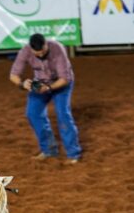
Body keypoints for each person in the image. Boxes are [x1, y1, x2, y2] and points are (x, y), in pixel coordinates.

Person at [9, 33, 82, 165]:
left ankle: (73, 153)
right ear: (31, 49)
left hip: (61, 85)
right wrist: (22, 84)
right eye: (37, 53)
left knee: (63, 115)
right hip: (41, 83)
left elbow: (64, 79)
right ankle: (48, 150)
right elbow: (13, 75)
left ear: (46, 44)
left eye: (43, 52)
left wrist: (48, 88)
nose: (41, 55)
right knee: (33, 114)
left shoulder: (57, 49)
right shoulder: (25, 51)